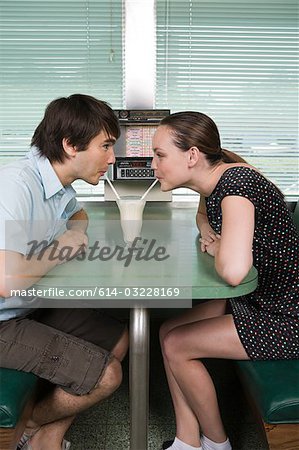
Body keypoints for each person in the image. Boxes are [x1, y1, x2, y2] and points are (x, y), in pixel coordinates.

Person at [151, 111, 299, 450]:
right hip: (261, 299)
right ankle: (187, 442)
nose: (153, 164)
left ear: (191, 156)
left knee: (177, 344)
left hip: (287, 316)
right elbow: (204, 214)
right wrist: (210, 232)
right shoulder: (216, 181)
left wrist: (220, 248)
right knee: (165, 331)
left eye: (160, 155)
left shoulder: (236, 188)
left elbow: (232, 271)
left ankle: (217, 444)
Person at [0, 94, 129, 450]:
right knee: (107, 376)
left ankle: (47, 434)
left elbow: (79, 216)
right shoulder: (15, 186)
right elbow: (7, 281)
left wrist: (74, 234)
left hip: (26, 307)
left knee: (122, 337)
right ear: (71, 145)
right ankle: (26, 428)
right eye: (105, 146)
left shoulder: (57, 184)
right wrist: (60, 249)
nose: (111, 157)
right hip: (3, 319)